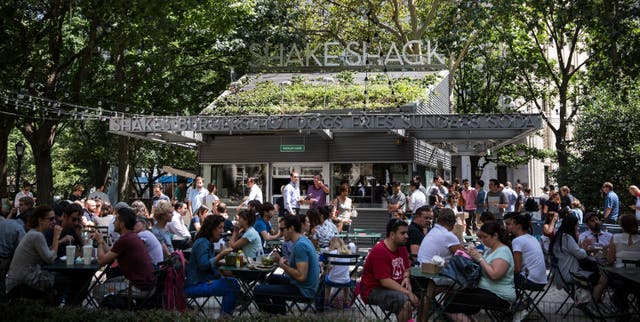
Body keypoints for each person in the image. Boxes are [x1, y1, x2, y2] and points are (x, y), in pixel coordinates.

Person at [445, 222, 516, 322]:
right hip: (487, 290)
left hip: (499, 295)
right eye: (481, 237)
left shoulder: (503, 251)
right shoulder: (491, 249)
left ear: (495, 236)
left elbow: (494, 275)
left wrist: (479, 258)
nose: (482, 241)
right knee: (451, 299)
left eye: (485, 237)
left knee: (452, 304)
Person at [254, 215, 320, 315]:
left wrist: (283, 266)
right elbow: (299, 267)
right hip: (304, 285)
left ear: (291, 228)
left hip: (304, 290)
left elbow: (301, 276)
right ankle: (280, 313)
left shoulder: (300, 246)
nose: (280, 233)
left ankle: (272, 316)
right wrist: (281, 260)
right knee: (272, 278)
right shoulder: (302, 240)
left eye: (282, 229)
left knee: (258, 290)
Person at [360, 219, 417, 322]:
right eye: (403, 233)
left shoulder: (402, 247)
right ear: (392, 234)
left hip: (393, 287)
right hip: (372, 290)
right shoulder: (380, 250)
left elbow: (407, 268)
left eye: (407, 233)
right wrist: (408, 293)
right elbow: (384, 281)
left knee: (424, 293)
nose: (407, 236)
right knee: (403, 300)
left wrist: (406, 277)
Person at [94, 207, 157, 299]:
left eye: (116, 220)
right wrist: (103, 241)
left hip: (139, 287)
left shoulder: (125, 240)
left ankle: (112, 312)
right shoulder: (131, 236)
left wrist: (99, 242)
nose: (113, 222)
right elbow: (112, 253)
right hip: (145, 284)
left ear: (122, 224)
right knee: (107, 283)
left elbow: (101, 261)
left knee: (98, 291)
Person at [184, 215, 240, 316]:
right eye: (219, 228)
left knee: (233, 282)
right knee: (232, 286)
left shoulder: (207, 242)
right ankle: (225, 317)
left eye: (223, 228)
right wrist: (220, 256)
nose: (222, 231)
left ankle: (226, 315)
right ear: (211, 228)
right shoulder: (203, 242)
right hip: (195, 285)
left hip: (204, 281)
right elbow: (204, 265)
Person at [5, 205, 62, 297]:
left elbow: (47, 254)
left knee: (59, 279)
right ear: (40, 220)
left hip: (20, 280)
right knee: (63, 280)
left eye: (54, 218)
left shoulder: (34, 233)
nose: (54, 222)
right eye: (51, 219)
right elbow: (50, 259)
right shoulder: (36, 235)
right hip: (22, 283)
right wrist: (56, 237)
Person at [550, 214, 607, 301]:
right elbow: (581, 255)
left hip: (560, 275)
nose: (577, 228)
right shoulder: (567, 238)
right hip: (571, 275)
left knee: (595, 273)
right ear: (572, 225)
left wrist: (582, 247)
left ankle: (587, 300)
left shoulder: (559, 236)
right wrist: (586, 248)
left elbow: (577, 252)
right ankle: (591, 304)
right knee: (603, 279)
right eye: (576, 225)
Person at [606, 214, 640, 312]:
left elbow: (610, 260)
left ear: (622, 225)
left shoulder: (616, 237)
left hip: (621, 279)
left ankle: (623, 309)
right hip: (637, 280)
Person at [511, 214, 547, 290]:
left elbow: (517, 268)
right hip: (542, 281)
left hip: (531, 281)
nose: (510, 227)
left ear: (518, 226)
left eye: (511, 224)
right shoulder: (533, 238)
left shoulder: (517, 241)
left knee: (500, 277)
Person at [324, 236, 352, 308]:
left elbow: (330, 267)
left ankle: (327, 301)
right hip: (345, 280)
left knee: (327, 282)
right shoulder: (348, 253)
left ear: (333, 244)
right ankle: (345, 302)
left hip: (333, 280)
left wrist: (326, 269)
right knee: (347, 283)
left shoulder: (332, 253)